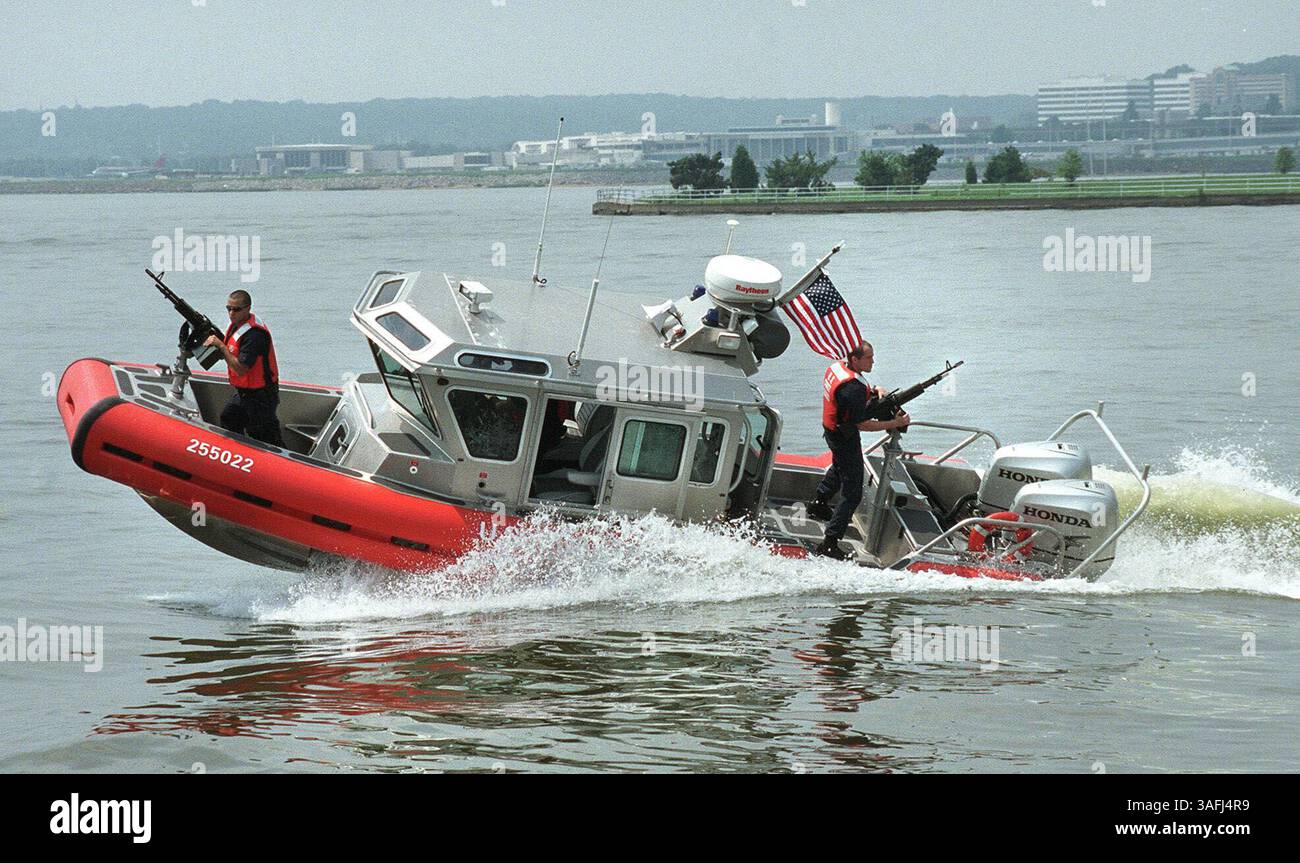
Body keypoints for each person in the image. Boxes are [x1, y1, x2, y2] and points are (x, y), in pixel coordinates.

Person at [807, 341, 910, 559]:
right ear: (854, 359)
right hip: (843, 435)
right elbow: (861, 424)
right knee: (852, 493)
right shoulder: (853, 388)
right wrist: (893, 423)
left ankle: (819, 503)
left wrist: (875, 390)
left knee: (840, 465)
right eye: (868, 358)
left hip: (831, 428)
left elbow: (852, 395)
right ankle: (830, 542)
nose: (873, 361)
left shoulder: (838, 367)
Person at [203, 290, 284, 446]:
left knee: (266, 437)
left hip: (261, 397)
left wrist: (221, 346)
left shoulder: (254, 335)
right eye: (228, 309)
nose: (231, 313)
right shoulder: (237, 326)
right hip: (245, 393)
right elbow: (232, 350)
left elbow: (240, 369)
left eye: (236, 309)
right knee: (229, 418)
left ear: (248, 309)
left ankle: (287, 467)